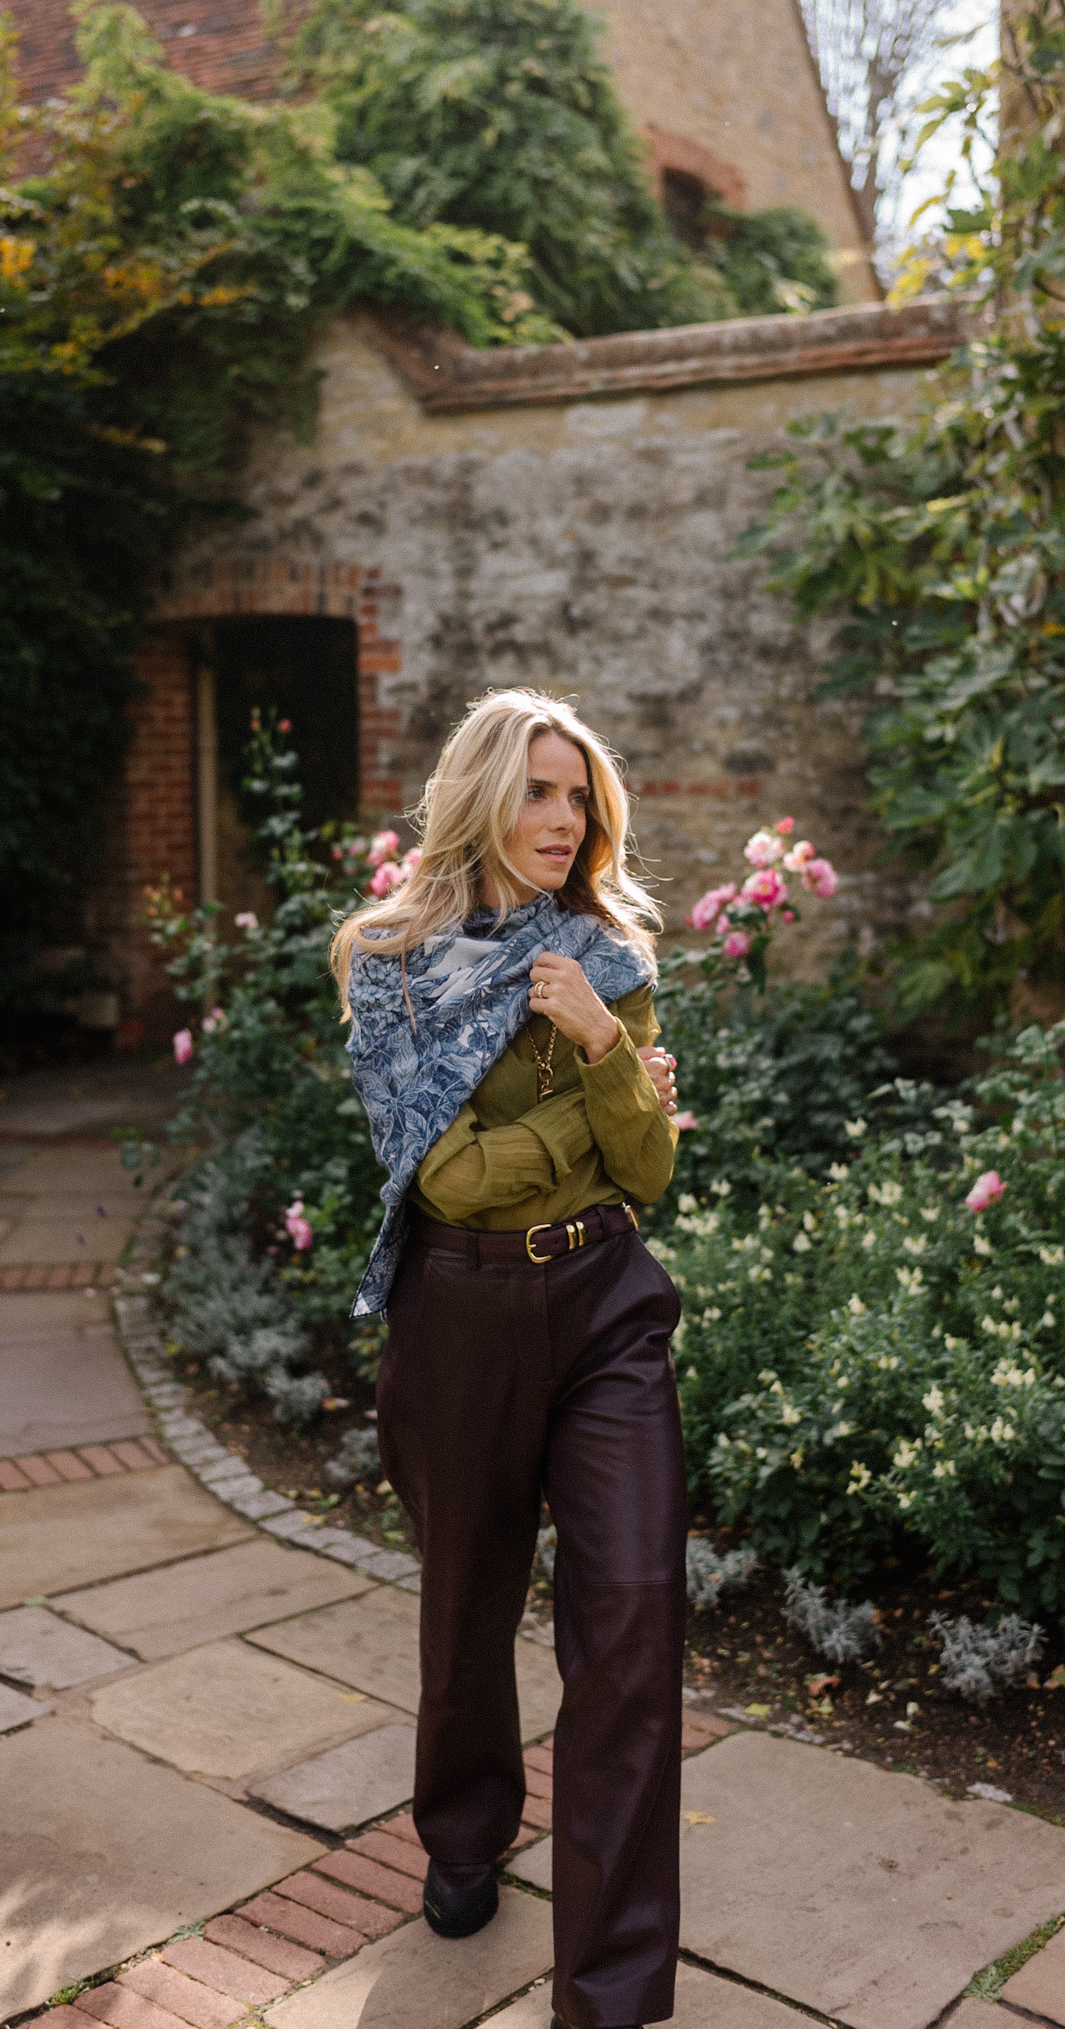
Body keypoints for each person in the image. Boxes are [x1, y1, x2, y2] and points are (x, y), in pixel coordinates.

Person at [331, 689, 686, 2029]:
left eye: (578, 793)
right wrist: (592, 1121)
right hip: (460, 1315)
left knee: (638, 1623)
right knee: (468, 1603)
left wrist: (600, 1046)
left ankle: (607, 1998)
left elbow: (647, 1171)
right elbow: (455, 1179)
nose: (564, 818)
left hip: (605, 1306)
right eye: (540, 791)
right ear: (482, 796)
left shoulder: (612, 957)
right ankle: (466, 1828)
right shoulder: (389, 960)